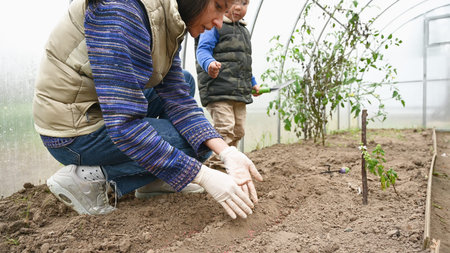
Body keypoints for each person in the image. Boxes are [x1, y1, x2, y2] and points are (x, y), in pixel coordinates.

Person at [32, 0, 263, 219]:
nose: (220, 22)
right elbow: (124, 126)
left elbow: (177, 97)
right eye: (218, 6)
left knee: (186, 84)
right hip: (73, 129)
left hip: (99, 106)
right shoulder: (121, 10)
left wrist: (226, 152)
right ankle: (89, 179)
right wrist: (201, 174)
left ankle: (154, 181)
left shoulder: (167, 16)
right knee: (194, 145)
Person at [195, 0, 260, 170]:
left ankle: (229, 163)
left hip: (239, 92)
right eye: (235, 1)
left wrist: (252, 83)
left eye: (244, 3)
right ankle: (216, 167)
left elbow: (242, 63)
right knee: (225, 128)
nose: (239, 7)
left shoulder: (243, 31)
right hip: (218, 90)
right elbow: (202, 50)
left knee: (238, 131)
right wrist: (209, 64)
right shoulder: (214, 26)